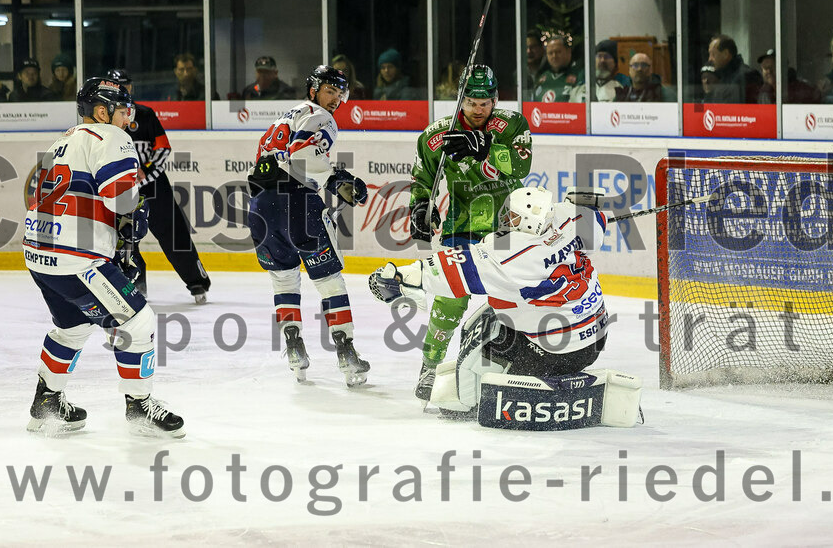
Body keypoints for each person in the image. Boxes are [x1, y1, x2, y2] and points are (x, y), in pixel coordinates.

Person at [23, 77, 184, 437]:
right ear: (101, 112)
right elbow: (121, 199)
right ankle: (140, 406)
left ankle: (47, 401)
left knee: (72, 327)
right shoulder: (111, 136)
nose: (129, 119)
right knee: (138, 323)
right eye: (123, 111)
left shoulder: (63, 140)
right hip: (76, 257)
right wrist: (133, 215)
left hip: (38, 251)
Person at [369, 186, 617, 416]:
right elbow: (597, 220)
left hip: (556, 352)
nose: (507, 219)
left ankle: (476, 403)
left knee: (486, 354)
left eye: (514, 217)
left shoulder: (508, 255)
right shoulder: (571, 218)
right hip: (596, 336)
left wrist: (399, 277)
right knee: (498, 311)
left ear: (531, 222)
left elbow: (445, 269)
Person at [408, 64, 532, 402]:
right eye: (472, 102)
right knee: (450, 298)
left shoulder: (512, 124)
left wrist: (485, 147)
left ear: (495, 100)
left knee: (515, 297)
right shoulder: (436, 137)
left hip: (508, 227)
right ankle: (430, 366)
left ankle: (521, 362)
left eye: (485, 103)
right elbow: (422, 180)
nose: (479, 110)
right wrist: (421, 206)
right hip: (461, 224)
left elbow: (522, 165)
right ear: (460, 100)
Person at [246, 65, 371, 386]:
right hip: (297, 205)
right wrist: (335, 178)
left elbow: (273, 159)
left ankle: (294, 350)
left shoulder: (284, 118)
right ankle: (346, 352)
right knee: (329, 281)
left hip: (260, 208)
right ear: (313, 90)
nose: (335, 99)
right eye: (330, 91)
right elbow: (302, 154)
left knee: (283, 280)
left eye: (340, 94)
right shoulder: (320, 116)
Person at [107, 69, 212, 303]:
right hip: (121, 189)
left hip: (153, 185)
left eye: (125, 85)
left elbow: (163, 148)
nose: (122, 89)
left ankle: (196, 281)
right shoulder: (103, 122)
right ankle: (135, 285)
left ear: (131, 87)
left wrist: (145, 171)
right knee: (125, 237)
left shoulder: (145, 114)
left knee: (173, 232)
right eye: (116, 85)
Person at [706, 34, 762, 103]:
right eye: (710, 54)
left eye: (713, 54)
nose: (710, 59)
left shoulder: (747, 75)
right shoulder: (722, 77)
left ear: (725, 54)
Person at [532, 34, 585, 102]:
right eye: (550, 53)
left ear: (568, 52)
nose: (554, 56)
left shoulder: (580, 75)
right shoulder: (542, 78)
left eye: (558, 52)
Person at [755, 49, 819, 104]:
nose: (769, 71)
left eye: (773, 66)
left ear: (784, 68)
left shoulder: (801, 90)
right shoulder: (763, 93)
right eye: (765, 67)